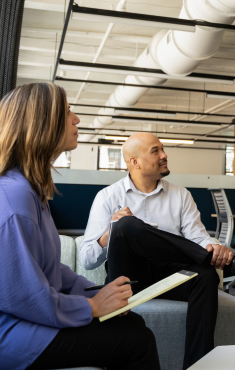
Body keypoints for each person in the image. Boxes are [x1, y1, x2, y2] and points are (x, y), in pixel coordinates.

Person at [0, 83, 161, 370]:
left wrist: (96, 291)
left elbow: (47, 268)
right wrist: (93, 306)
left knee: (131, 323)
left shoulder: (31, 190)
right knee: (136, 339)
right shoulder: (15, 196)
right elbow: (22, 295)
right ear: (41, 124)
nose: (76, 119)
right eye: (68, 112)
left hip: (26, 319)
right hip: (12, 333)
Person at [80, 132, 235, 368]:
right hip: (128, 277)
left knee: (207, 275)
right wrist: (110, 232)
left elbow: (198, 238)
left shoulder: (181, 195)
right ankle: (234, 266)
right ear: (134, 162)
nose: (164, 155)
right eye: (155, 151)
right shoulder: (107, 196)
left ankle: (199, 366)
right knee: (126, 225)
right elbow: (87, 259)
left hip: (168, 274)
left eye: (163, 149)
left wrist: (216, 248)